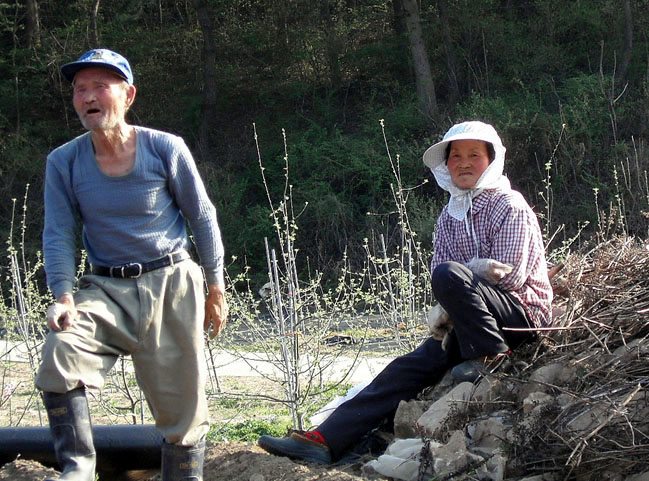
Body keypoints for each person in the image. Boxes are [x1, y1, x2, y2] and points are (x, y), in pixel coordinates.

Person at [257, 120, 552, 464]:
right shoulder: (449, 216)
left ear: (491, 161)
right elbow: (443, 279)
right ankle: (325, 441)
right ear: (447, 165)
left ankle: (492, 356)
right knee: (406, 368)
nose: (464, 163)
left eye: (474, 155)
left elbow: (511, 277)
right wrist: (451, 304)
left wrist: (462, 282)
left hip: (519, 315)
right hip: (472, 322)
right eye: (456, 156)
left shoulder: (510, 205)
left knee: (449, 274)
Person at [36, 49, 227, 481]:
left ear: (128, 95)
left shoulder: (164, 148)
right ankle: (77, 470)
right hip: (106, 290)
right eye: (80, 89)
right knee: (61, 352)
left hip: (171, 283)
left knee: (184, 409)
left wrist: (215, 286)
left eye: (100, 86)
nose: (88, 97)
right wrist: (63, 295)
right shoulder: (64, 162)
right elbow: (59, 233)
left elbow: (202, 217)